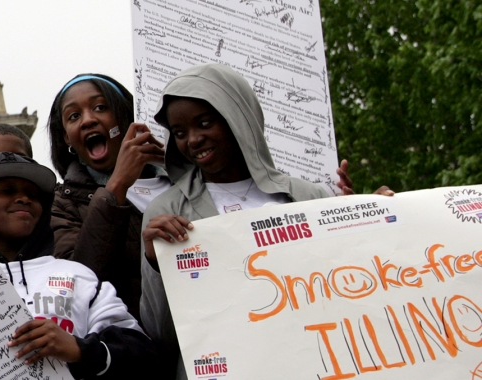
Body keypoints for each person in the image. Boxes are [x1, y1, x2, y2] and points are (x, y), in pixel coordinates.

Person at [138, 63, 390, 379]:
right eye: (179, 133)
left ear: (238, 117)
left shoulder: (307, 197)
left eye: (204, 123)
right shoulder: (168, 211)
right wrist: (156, 262)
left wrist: (380, 222)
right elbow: (159, 335)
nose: (193, 139)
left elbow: (355, 299)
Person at [0, 151, 157, 378]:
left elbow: (143, 355)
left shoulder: (77, 276)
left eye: (33, 194)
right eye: (7, 190)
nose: (24, 198)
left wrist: (80, 350)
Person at [47, 73, 170, 322]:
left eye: (100, 107)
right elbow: (80, 287)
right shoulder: (61, 206)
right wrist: (117, 186)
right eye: (74, 116)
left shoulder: (181, 181)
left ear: (125, 115)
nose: (88, 120)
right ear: (67, 138)